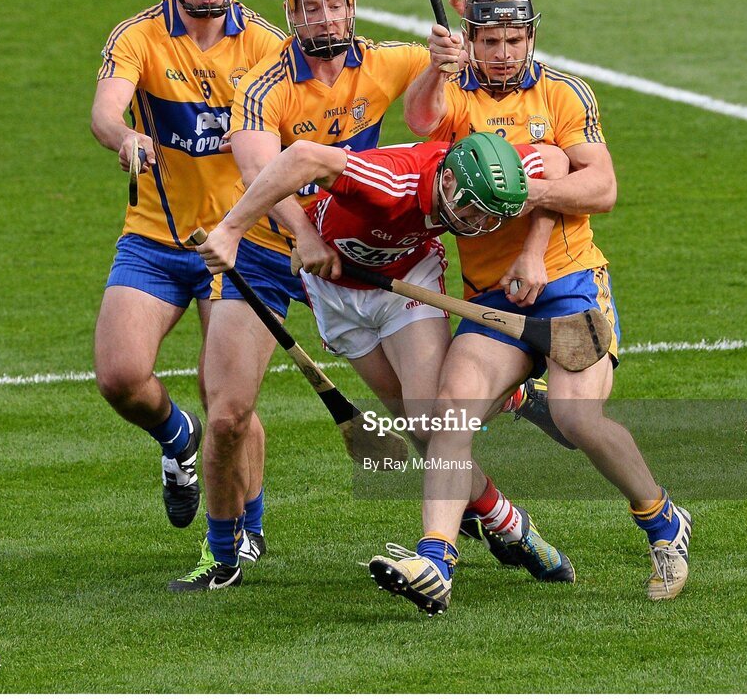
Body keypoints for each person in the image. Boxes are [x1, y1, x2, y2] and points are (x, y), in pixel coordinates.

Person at [367, 0, 692, 614]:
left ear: (531, 35)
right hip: (491, 295)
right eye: (489, 40)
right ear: (470, 38)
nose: (504, 52)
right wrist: (436, 70)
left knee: (576, 419)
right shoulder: (456, 93)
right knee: (445, 417)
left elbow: (601, 189)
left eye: (515, 39)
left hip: (569, 285)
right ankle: (436, 558)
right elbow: (418, 120)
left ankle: (660, 520)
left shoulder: (564, 94)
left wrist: (532, 214)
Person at [192, 131, 583, 598]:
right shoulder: (391, 181)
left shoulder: (491, 169)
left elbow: (556, 161)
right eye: (475, 209)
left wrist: (533, 249)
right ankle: (509, 522)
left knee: (435, 423)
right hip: (336, 290)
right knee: (425, 433)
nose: (479, 223)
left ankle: (447, 552)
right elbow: (300, 156)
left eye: (488, 214)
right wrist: (247, 231)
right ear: (450, 182)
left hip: (407, 282)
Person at [168, 0, 435, 592]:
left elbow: (446, 98)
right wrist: (303, 232)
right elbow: (264, 170)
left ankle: (485, 510)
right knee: (229, 412)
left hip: (349, 254)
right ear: (291, 15)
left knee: (425, 412)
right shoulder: (262, 86)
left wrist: (450, 51)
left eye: (335, 3)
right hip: (265, 252)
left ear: (352, 4)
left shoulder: (382, 60)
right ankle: (222, 552)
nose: (325, 16)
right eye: (310, 7)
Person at [91, 0, 283, 555]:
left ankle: (248, 530)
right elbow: (105, 112)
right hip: (154, 236)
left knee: (228, 396)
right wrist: (127, 138)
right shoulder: (139, 36)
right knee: (120, 376)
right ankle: (178, 441)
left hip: (235, 243)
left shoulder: (265, 43)